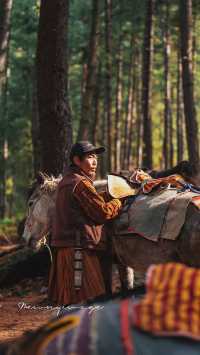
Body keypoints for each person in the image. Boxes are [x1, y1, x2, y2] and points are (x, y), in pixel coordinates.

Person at [48, 141, 122, 305]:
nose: (95, 161)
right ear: (76, 160)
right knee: (85, 301)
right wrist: (119, 201)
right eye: (90, 157)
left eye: (96, 157)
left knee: (71, 300)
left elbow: (85, 204)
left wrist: (105, 196)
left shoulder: (67, 181)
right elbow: (102, 212)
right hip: (78, 251)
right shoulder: (80, 183)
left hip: (67, 249)